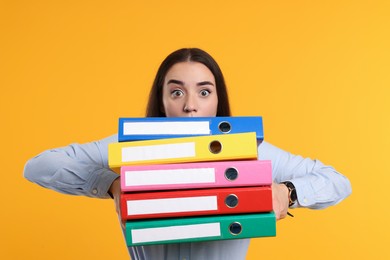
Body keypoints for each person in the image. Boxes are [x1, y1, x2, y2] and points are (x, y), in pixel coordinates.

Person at [24, 48, 352, 260]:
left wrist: (287, 192)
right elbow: (38, 166)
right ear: (162, 99)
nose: (190, 105)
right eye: (177, 91)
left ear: (217, 100)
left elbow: (336, 181)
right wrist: (111, 183)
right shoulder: (129, 148)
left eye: (204, 91)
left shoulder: (249, 150)